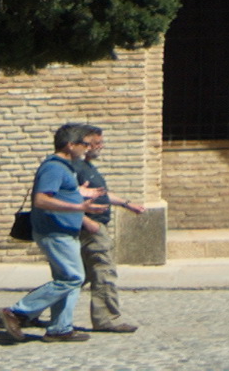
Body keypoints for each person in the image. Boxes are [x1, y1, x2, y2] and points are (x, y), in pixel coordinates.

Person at [0, 123, 100, 342]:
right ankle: (17, 312)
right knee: (73, 278)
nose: (87, 148)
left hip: (64, 231)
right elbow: (41, 199)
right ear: (70, 145)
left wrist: (79, 193)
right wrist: (79, 207)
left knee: (67, 280)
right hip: (55, 232)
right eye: (84, 144)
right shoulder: (54, 168)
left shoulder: (65, 168)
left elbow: (59, 193)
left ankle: (60, 329)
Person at [69, 129, 139, 335]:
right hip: (91, 229)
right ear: (85, 144)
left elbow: (102, 195)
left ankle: (24, 311)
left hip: (94, 227)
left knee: (76, 277)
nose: (101, 146)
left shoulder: (88, 167)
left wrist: (127, 203)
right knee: (104, 271)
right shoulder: (75, 168)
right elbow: (68, 197)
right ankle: (107, 318)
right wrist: (87, 221)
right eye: (97, 143)